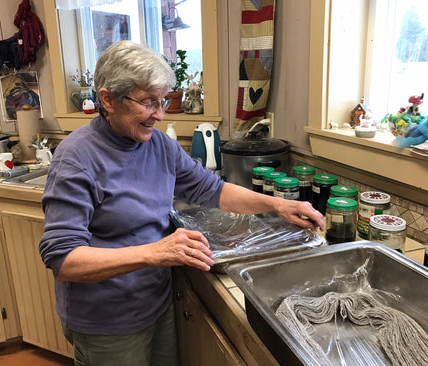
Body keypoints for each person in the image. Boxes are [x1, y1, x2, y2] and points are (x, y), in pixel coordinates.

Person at [39, 40, 324, 366]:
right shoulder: (76, 158)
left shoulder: (159, 145)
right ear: (108, 100)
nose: (159, 115)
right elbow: (63, 260)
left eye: (163, 101)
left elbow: (213, 190)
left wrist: (276, 205)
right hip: (107, 320)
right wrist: (154, 252)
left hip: (156, 302)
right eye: (148, 102)